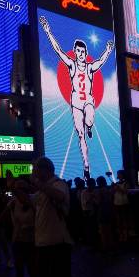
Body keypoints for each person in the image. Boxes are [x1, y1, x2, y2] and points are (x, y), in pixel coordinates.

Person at [40, 16, 114, 180]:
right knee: (81, 136)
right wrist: (48, 31)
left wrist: (108, 50)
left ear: (86, 53)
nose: (80, 54)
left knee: (89, 119)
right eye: (77, 51)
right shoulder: (72, 65)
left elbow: (101, 61)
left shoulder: (89, 67)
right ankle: (86, 166)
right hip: (76, 103)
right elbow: (58, 50)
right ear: (75, 52)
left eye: (82, 52)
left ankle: (89, 126)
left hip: (87, 101)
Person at [31, 157, 73, 277]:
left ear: (45, 170)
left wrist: (39, 185)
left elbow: (60, 197)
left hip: (58, 244)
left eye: (36, 170)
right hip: (42, 244)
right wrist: (16, 188)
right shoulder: (41, 189)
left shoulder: (59, 184)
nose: (34, 173)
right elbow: (30, 201)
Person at [95, 176, 113, 252]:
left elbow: (98, 202)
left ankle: (106, 247)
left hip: (102, 211)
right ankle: (111, 246)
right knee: (109, 230)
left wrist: (93, 198)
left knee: (103, 231)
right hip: (109, 210)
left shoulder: (99, 191)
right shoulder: (108, 189)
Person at [113, 170, 130, 242]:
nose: (118, 175)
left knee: (124, 220)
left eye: (119, 174)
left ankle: (126, 235)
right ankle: (121, 235)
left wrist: (118, 188)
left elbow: (126, 192)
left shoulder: (126, 183)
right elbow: (113, 193)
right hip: (116, 203)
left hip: (124, 203)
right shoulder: (116, 183)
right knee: (119, 220)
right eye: (118, 174)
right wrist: (113, 188)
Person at [81, 178, 98, 246]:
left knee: (94, 228)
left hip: (92, 210)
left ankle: (94, 242)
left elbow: (96, 202)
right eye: (93, 184)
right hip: (87, 211)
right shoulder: (84, 192)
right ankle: (91, 243)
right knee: (90, 228)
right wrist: (92, 196)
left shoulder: (93, 191)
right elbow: (85, 203)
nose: (94, 185)